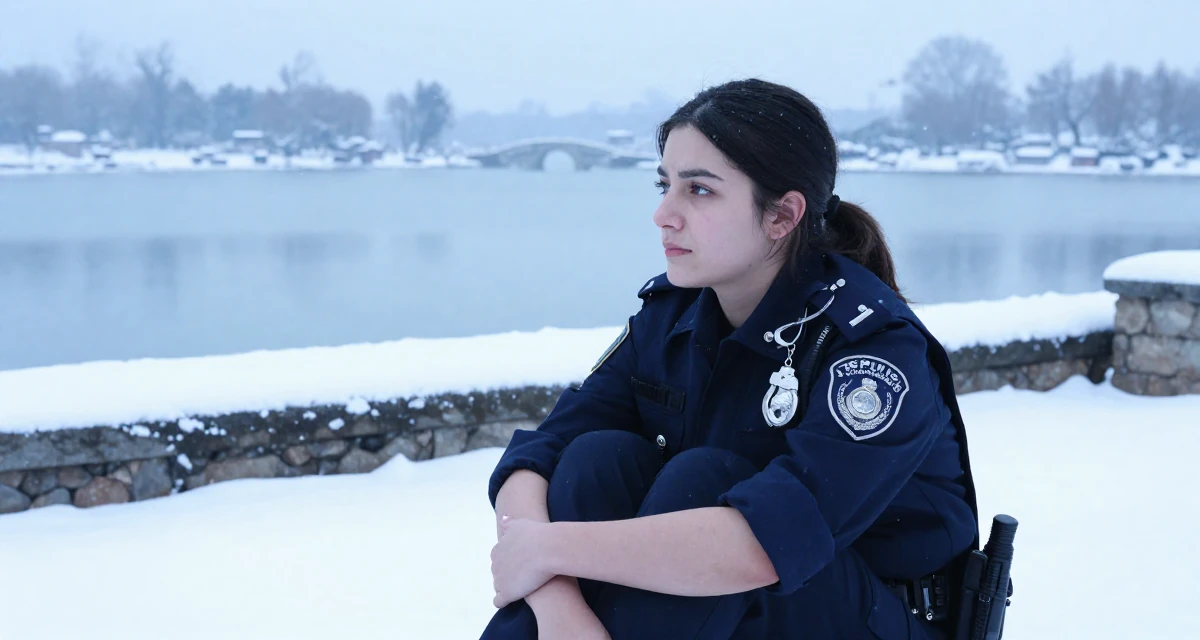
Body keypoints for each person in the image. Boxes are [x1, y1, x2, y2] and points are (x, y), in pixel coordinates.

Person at [480, 78, 980, 640]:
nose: (663, 214)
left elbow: (766, 545)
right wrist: (556, 601)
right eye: (664, 184)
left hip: (872, 618)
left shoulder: (873, 350)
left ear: (782, 216)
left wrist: (548, 548)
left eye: (698, 191)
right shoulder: (673, 315)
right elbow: (537, 459)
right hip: (721, 615)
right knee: (598, 461)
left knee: (704, 478)